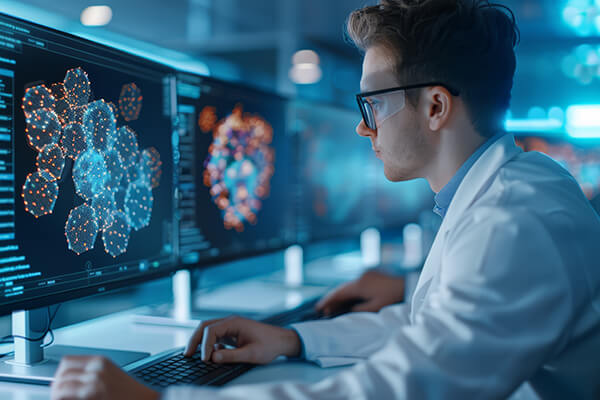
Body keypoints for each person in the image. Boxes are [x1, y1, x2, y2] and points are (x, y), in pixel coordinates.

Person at [50, 0, 600, 399]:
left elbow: (414, 384)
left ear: (435, 107)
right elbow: (431, 329)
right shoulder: (510, 188)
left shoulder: (512, 221)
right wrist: (292, 339)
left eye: (373, 104)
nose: (365, 130)